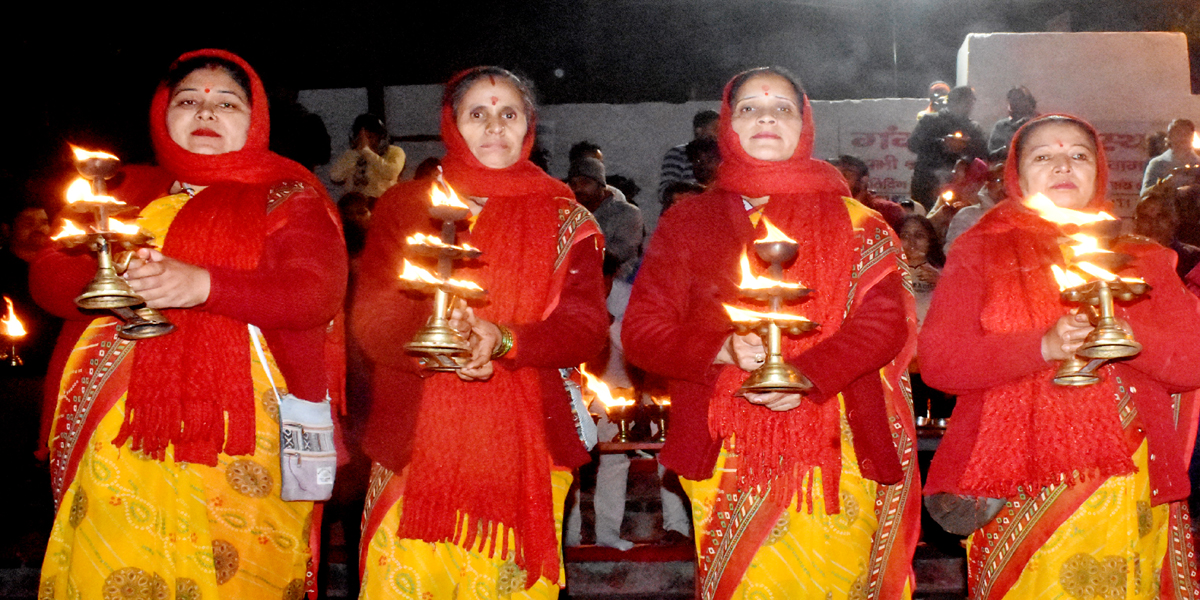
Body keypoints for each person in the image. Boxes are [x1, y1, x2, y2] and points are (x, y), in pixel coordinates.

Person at [30, 49, 347, 600]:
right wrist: (117, 277)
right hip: (116, 426)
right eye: (187, 100)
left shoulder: (289, 197)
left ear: (255, 120)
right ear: (162, 113)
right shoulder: (125, 191)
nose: (206, 112)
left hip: (246, 431)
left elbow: (313, 295)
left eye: (226, 103)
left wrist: (203, 285)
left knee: (240, 575)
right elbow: (50, 278)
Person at [623, 66, 920, 599]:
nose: (766, 117)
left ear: (804, 124)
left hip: (836, 443)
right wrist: (723, 347)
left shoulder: (860, 223)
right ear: (727, 126)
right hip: (727, 449)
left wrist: (805, 376)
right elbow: (643, 333)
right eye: (749, 108)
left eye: (782, 107)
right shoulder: (689, 221)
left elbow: (884, 325)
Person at [352, 66, 608, 598]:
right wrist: (443, 343)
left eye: (508, 114)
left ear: (529, 127)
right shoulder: (405, 206)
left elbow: (585, 329)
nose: (495, 126)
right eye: (478, 114)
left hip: (528, 441)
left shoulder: (566, 218)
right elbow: (373, 321)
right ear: (452, 124)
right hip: (415, 441)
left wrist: (505, 340)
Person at [920, 114, 1200, 599]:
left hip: (1125, 477)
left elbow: (1190, 365)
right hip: (1015, 480)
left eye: (1078, 155)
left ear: (1099, 170)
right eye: (1043, 156)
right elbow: (942, 364)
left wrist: (1119, 331)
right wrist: (1042, 346)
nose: (1062, 165)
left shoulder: (1143, 258)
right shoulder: (980, 251)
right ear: (1017, 174)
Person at [906, 86, 987, 210]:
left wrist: (964, 155)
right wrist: (942, 143)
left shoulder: (973, 128)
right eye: (964, 102)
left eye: (970, 102)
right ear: (951, 102)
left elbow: (982, 153)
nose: (968, 106)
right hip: (928, 183)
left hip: (960, 187)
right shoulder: (930, 121)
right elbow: (913, 143)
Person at [655, 109, 719, 230]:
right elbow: (665, 190)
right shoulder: (679, 153)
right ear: (699, 130)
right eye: (715, 129)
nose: (719, 134)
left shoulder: (723, 156)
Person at [329, 113, 406, 199]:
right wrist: (357, 153)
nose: (367, 140)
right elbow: (335, 176)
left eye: (370, 136)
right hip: (357, 204)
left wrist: (368, 152)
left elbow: (391, 173)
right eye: (362, 137)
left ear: (380, 136)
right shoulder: (351, 154)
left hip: (383, 202)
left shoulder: (394, 152)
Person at [1142, 118, 1200, 194]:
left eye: (1186, 134)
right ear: (1170, 137)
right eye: (1178, 133)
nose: (1182, 138)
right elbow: (1145, 194)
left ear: (1192, 137)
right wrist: (1164, 184)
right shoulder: (1158, 164)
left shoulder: (1198, 163)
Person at [986, 86, 1038, 155]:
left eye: (1019, 99)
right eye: (1012, 99)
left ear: (1029, 102)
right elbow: (990, 153)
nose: (1015, 103)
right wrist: (1004, 150)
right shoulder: (1001, 126)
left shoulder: (1036, 125)